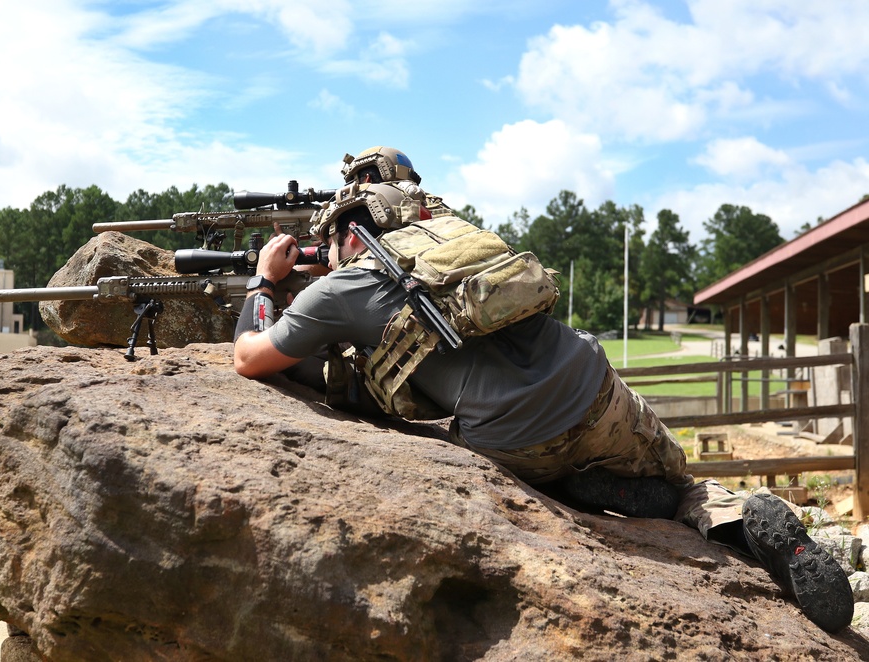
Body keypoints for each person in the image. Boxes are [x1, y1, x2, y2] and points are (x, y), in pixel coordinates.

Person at [233, 183, 854, 633]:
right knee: (685, 481)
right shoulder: (462, 240)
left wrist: (267, 281)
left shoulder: (341, 286)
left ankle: (586, 491)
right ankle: (726, 519)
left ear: (347, 232)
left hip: (514, 442)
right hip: (591, 387)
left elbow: (250, 359)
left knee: (547, 482)